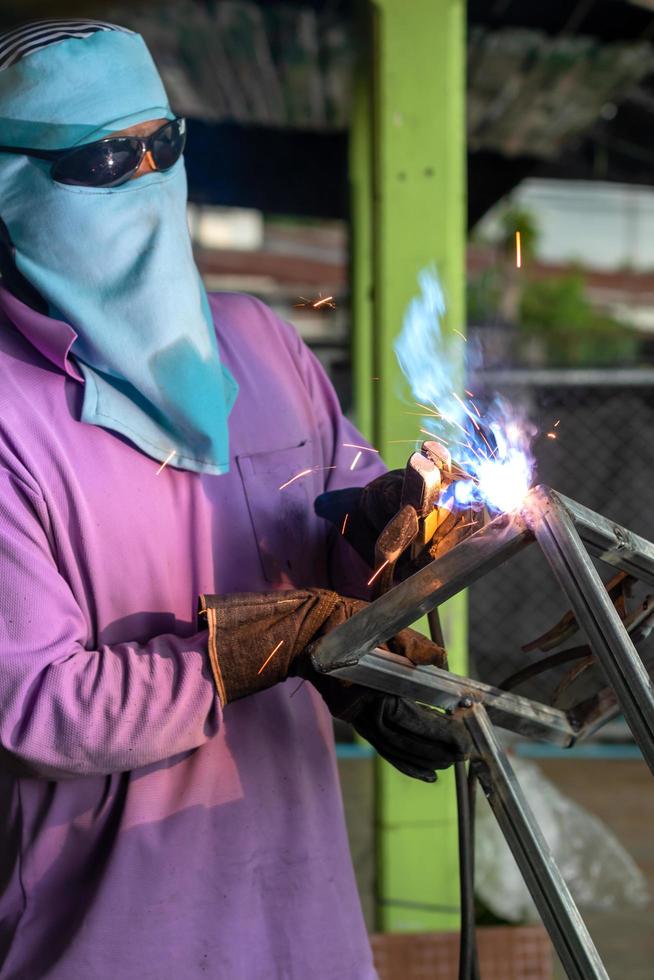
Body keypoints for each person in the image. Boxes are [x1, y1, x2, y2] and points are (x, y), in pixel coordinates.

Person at [0, 20, 463, 980]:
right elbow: (33, 707)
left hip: (306, 930)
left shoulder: (259, 341)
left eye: (161, 145)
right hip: (111, 941)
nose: (144, 177)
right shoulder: (9, 410)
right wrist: (257, 647)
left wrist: (381, 559)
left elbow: (330, 542)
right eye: (102, 160)